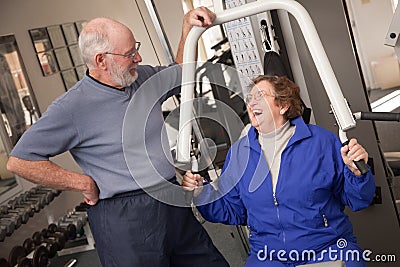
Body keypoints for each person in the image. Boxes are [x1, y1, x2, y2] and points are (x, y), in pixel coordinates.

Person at [7, 7, 230, 267]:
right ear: (101, 60)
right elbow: (20, 160)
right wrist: (80, 182)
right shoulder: (72, 108)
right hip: (126, 219)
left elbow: (180, 76)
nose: (138, 57)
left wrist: (187, 31)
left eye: (136, 48)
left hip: (171, 200)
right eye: (129, 53)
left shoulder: (141, 77)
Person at [182, 75, 376, 267]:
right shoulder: (239, 153)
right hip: (268, 256)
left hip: (325, 247)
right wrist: (202, 193)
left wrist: (357, 175)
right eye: (250, 99)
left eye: (261, 96)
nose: (252, 103)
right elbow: (234, 211)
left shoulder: (322, 143)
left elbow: (359, 200)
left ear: (283, 106)